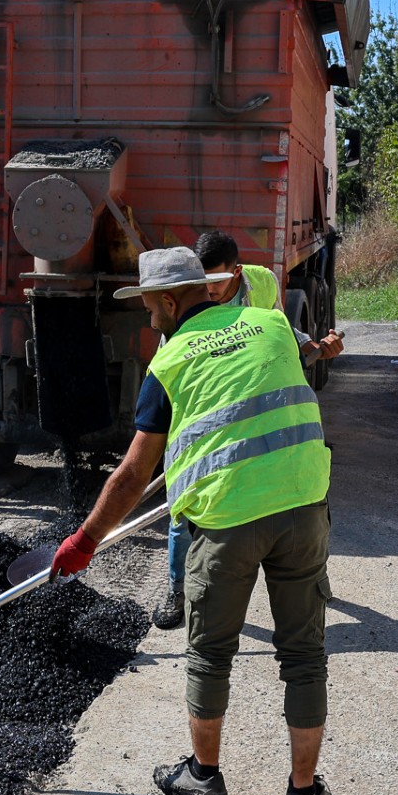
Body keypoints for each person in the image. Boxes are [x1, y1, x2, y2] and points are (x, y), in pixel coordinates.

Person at [51, 246, 337, 795]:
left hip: (226, 521)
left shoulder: (171, 360)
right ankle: (304, 794)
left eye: (147, 304)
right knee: (304, 655)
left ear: (167, 300)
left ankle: (204, 778)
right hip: (304, 508)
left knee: (210, 653)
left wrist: (85, 539)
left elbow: (133, 474)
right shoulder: (271, 323)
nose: (145, 315)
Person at [150, 232, 342, 631]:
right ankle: (177, 589)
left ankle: (305, 573)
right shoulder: (181, 298)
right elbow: (175, 362)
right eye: (201, 284)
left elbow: (278, 333)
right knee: (182, 501)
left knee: (290, 486)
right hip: (205, 403)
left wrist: (314, 347)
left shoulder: (262, 283)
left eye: (215, 283)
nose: (207, 292)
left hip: (256, 400)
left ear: (236, 272)